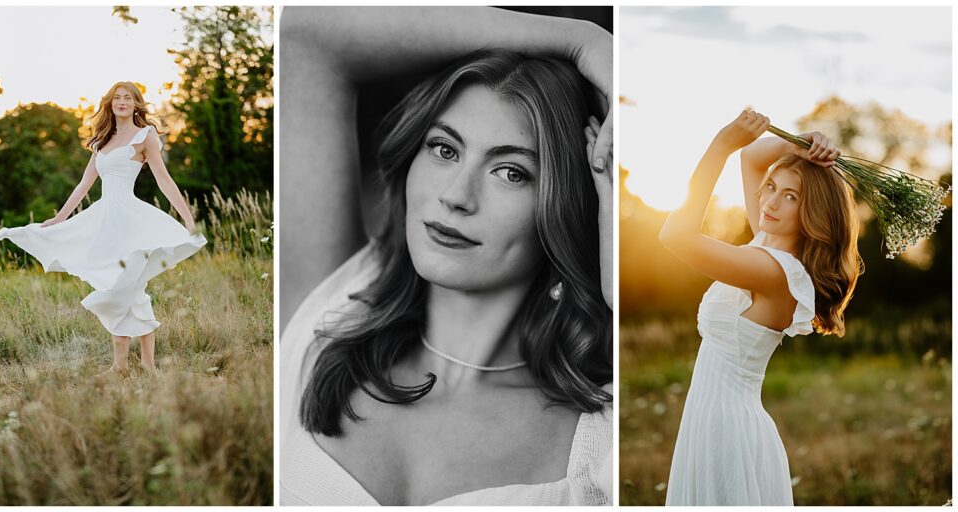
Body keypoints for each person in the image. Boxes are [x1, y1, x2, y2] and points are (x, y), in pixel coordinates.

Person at [279, 7, 614, 506]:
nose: (457, 195)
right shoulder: (330, 311)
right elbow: (303, 35)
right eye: (444, 149)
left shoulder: (601, 440)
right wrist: (582, 41)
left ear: (569, 205)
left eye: (512, 172)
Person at [659, 109, 863, 505]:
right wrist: (803, 143)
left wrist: (719, 144)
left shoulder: (774, 271)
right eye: (772, 188)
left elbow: (675, 235)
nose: (771, 202)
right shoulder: (766, 243)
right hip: (711, 418)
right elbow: (751, 158)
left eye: (791, 197)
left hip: (726, 429)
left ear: (813, 214)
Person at [0, 82, 207, 377]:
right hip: (105, 220)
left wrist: (187, 218)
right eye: (117, 98)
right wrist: (59, 219)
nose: (122, 102)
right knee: (113, 285)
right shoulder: (101, 142)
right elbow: (84, 185)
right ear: (110, 104)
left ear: (136, 104)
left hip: (131, 220)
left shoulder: (145, 137)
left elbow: (164, 180)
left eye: (128, 98)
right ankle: (121, 366)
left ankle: (146, 366)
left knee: (131, 286)